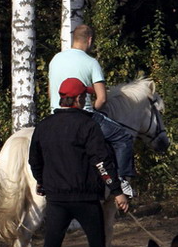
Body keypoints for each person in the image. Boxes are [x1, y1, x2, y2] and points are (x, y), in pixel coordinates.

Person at [29, 77, 131, 247]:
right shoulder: (88, 125)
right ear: (76, 99)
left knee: (50, 246)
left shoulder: (44, 125)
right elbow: (102, 162)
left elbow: (34, 160)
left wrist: (42, 182)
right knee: (97, 243)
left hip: (56, 198)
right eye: (83, 96)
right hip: (85, 198)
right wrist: (117, 191)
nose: (86, 99)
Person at [48, 24, 137, 198]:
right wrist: (93, 112)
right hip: (83, 114)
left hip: (55, 113)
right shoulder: (91, 62)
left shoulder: (55, 59)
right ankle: (121, 180)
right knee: (123, 137)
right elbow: (102, 98)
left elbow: (50, 90)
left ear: (74, 39)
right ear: (89, 40)